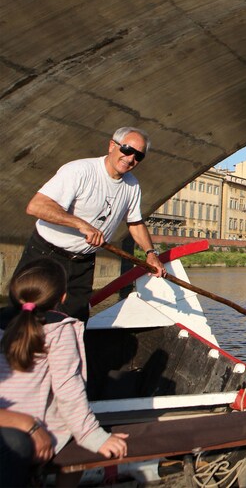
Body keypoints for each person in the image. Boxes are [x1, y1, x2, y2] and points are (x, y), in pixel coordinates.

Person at [12, 126, 166, 322]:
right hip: (46, 255)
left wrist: (151, 254)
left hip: (83, 263)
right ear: (112, 145)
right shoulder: (80, 170)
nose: (130, 159)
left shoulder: (132, 186)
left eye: (138, 156)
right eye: (127, 149)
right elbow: (36, 206)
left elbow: (135, 223)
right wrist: (80, 224)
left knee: (74, 322)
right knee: (24, 318)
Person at [0, 258, 128, 478]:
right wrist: (93, 436)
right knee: (75, 438)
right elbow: (68, 389)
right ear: (63, 297)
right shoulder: (59, 330)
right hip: (33, 434)